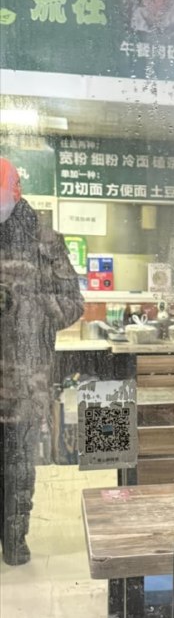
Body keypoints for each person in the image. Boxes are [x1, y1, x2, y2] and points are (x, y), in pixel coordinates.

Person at [0, 157, 84, 565]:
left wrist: (27, 303)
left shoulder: (44, 238)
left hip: (25, 378)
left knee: (19, 465)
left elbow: (73, 303)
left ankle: (15, 540)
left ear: (15, 193)